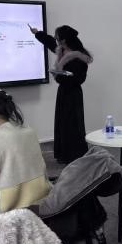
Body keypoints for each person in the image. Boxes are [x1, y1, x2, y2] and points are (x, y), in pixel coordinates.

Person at [30, 24, 92, 164]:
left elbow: (79, 79)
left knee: (72, 124)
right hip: (63, 92)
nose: (56, 39)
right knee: (62, 122)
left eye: (58, 37)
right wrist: (37, 33)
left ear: (64, 40)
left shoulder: (79, 57)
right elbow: (50, 42)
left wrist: (59, 76)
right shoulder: (62, 50)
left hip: (73, 93)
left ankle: (74, 155)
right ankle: (63, 154)